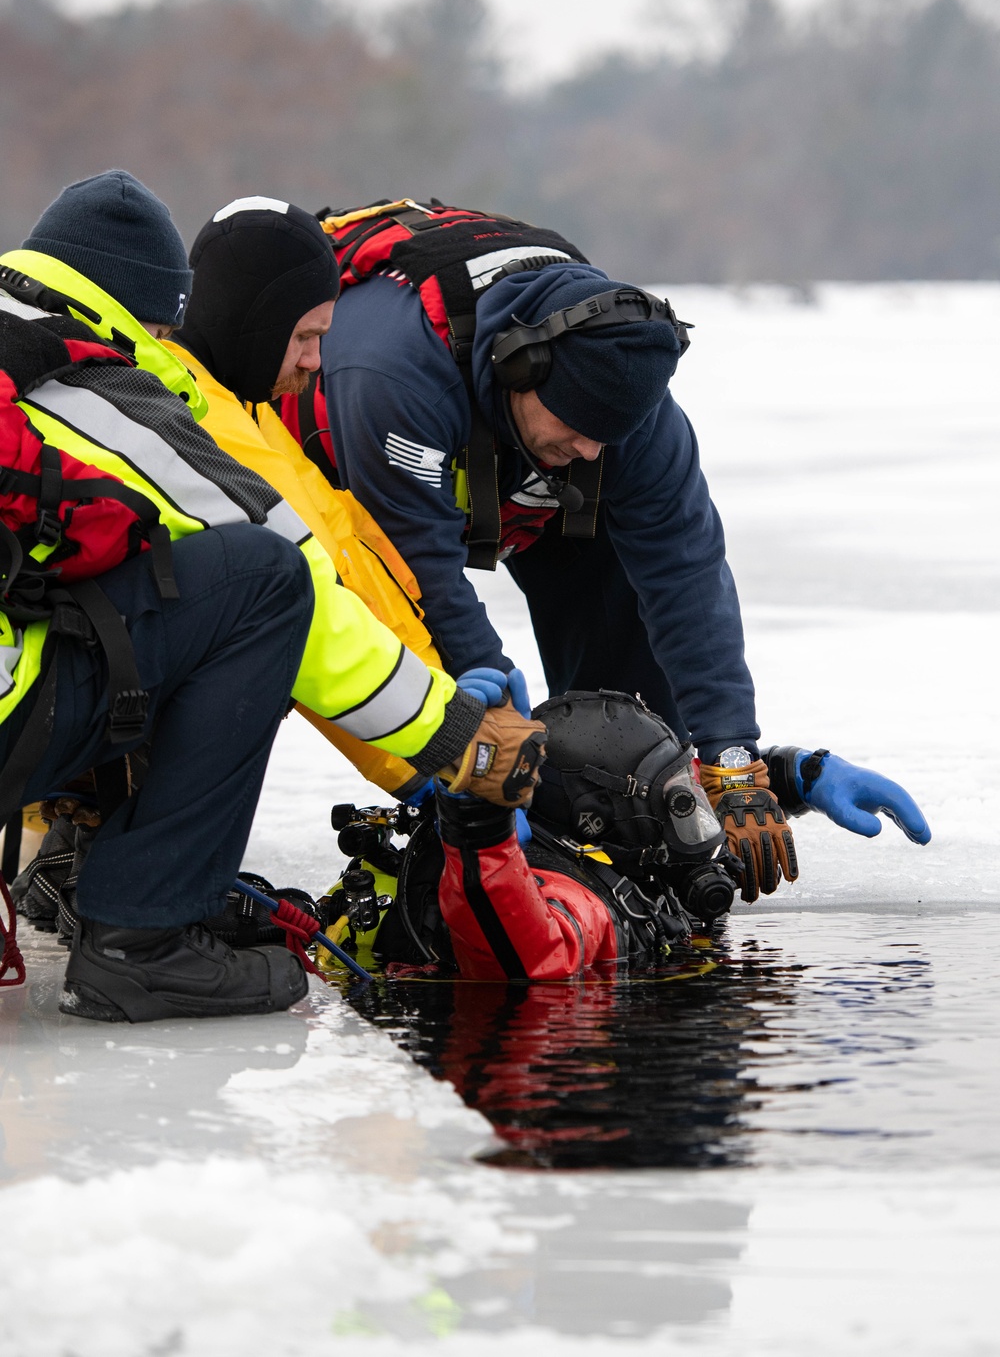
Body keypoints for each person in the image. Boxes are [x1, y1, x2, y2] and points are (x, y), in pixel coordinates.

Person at [0, 178, 546, 1021]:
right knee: (253, 582)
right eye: (156, 329)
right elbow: (294, 575)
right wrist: (454, 741)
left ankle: (87, 853)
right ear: (134, 308)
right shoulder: (88, 385)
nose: (158, 346)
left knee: (114, 573)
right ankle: (144, 938)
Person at [281, 200, 793, 895]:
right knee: (465, 716)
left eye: (604, 438)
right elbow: (422, 576)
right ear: (523, 369)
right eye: (577, 426)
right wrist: (503, 753)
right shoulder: (391, 372)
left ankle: (624, 830)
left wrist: (730, 756)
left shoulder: (625, 404)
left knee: (629, 679)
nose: (588, 450)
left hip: (512, 483)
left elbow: (686, 573)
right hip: (356, 487)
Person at [3, 178, 465, 801]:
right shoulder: (107, 394)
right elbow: (306, 587)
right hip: (18, 718)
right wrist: (454, 752)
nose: (315, 363)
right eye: (305, 337)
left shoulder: (237, 407)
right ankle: (147, 890)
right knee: (254, 583)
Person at [318, 688, 931, 982]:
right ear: (596, 824)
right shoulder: (578, 901)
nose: (694, 816)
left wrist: (794, 775)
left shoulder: (621, 842)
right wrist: (479, 824)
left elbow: (675, 787)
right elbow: (534, 950)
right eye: (674, 802)